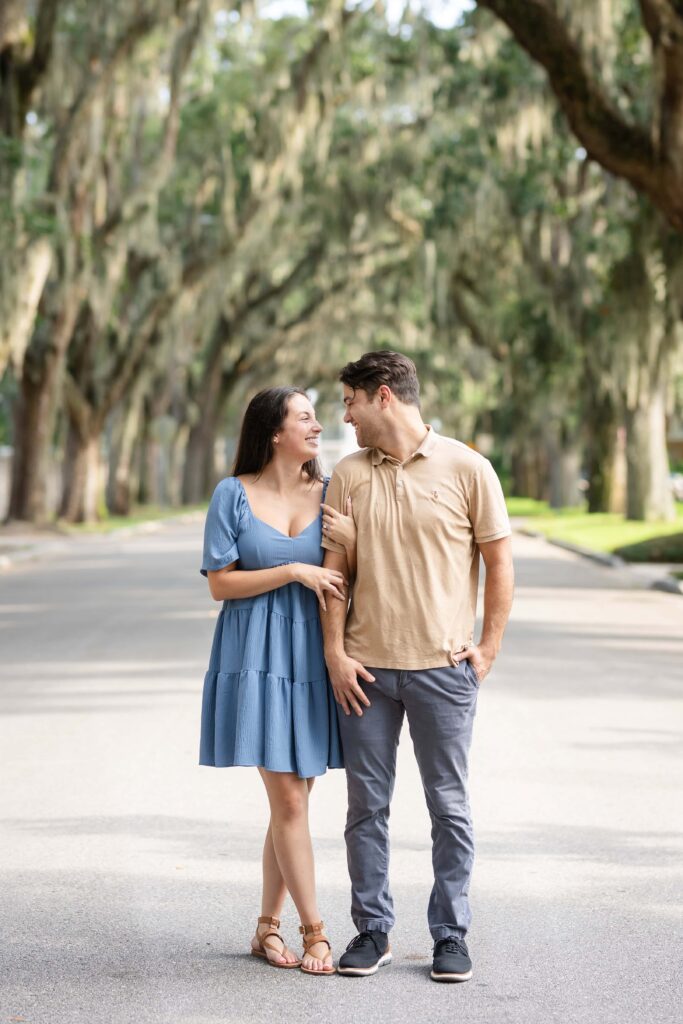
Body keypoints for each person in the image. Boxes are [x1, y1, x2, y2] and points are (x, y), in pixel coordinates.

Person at [320, 351, 514, 983]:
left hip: (442, 671)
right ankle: (372, 931)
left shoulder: (468, 467)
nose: (343, 416)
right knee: (365, 808)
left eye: (349, 402)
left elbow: (498, 561)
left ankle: (450, 935)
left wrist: (487, 648)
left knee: (448, 808)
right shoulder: (347, 474)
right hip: (367, 674)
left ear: (382, 397)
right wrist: (334, 652)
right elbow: (335, 575)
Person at [199, 386, 357, 976]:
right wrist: (292, 568)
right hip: (255, 655)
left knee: (293, 800)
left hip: (312, 658)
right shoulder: (232, 494)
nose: (319, 426)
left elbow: (350, 567)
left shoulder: (331, 492)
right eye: (306, 418)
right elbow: (219, 583)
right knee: (289, 798)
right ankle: (316, 932)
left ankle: (266, 928)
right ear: (274, 432)